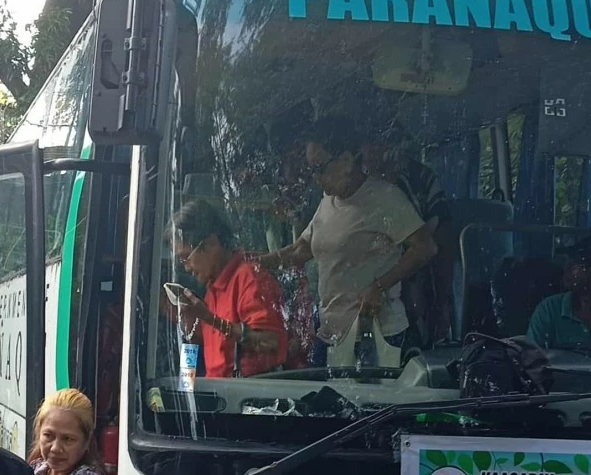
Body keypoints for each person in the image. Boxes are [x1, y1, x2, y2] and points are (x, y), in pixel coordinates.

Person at [258, 124, 437, 367]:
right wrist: (252, 262)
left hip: (374, 334)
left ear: (345, 161)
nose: (316, 178)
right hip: (329, 332)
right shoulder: (327, 202)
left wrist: (380, 286)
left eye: (320, 169)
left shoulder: (385, 198)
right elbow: (301, 251)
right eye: (312, 170)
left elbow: (424, 247)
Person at [169, 200, 289, 377]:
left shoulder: (249, 278)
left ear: (211, 243)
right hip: (219, 398)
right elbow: (219, 349)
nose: (186, 268)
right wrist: (188, 325)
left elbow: (271, 342)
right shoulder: (212, 288)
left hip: (248, 399)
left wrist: (209, 318)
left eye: (186, 257)